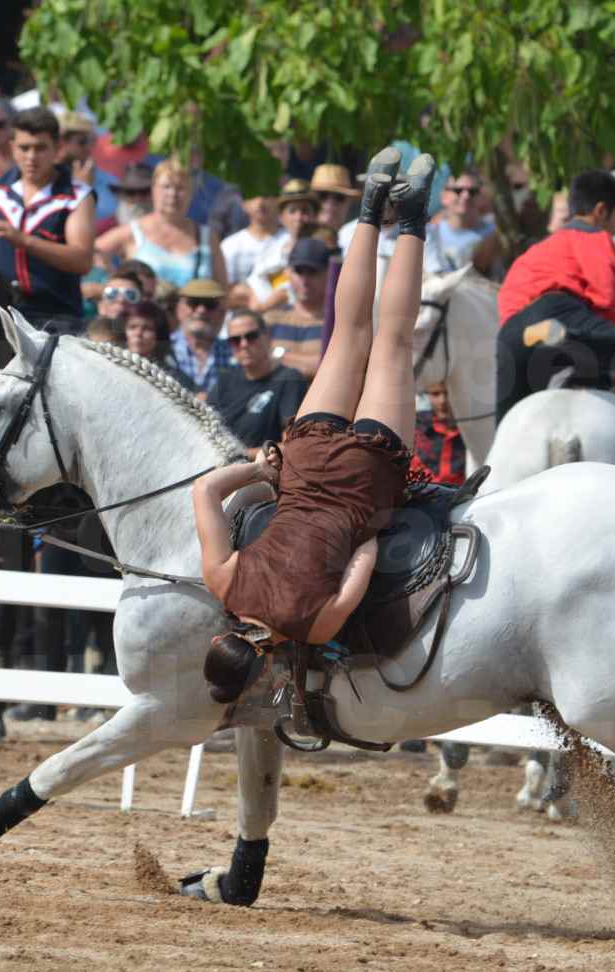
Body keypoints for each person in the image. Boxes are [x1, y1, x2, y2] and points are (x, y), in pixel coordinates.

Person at [192, 147, 435, 685]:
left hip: (361, 484)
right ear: (219, 637)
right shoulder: (221, 580)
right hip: (301, 461)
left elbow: (362, 566)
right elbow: (204, 492)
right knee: (347, 336)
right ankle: (370, 209)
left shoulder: (315, 631)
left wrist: (372, 522)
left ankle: (414, 214)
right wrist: (260, 469)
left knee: (393, 342)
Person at [495, 169, 615, 422]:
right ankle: (567, 344)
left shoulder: (538, 248)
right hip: (558, 313)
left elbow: (506, 298)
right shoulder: (595, 236)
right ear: (601, 211)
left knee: (507, 426)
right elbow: (606, 301)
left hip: (512, 334)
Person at [0, 106, 96, 331]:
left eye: (40, 148)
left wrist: (23, 240)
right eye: (24, 148)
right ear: (12, 148)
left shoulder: (77, 196)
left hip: (54, 316)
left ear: (57, 148)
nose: (31, 157)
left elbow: (82, 260)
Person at [96, 159, 227, 289]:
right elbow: (93, 253)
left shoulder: (207, 238)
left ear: (191, 193)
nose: (172, 194)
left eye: (180, 188)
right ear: (153, 190)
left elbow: (222, 290)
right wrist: (111, 285)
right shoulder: (133, 232)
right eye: (166, 187)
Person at [208, 308, 307, 451]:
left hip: (263, 469)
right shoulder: (224, 381)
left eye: (251, 336)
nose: (244, 344)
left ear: (267, 336)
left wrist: (244, 455)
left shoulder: (288, 379)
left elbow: (292, 446)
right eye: (235, 340)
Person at [262, 237, 331, 377]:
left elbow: (330, 369)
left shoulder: (336, 323)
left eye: (312, 272)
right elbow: (256, 361)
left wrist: (278, 356)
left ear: (328, 273)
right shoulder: (271, 319)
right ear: (288, 273)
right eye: (299, 271)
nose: (304, 280)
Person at [246, 179, 318, 310]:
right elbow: (254, 281)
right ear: (281, 216)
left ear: (315, 215)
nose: (299, 217)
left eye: (305, 211)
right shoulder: (271, 247)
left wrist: (269, 303)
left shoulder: (322, 247)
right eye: (292, 211)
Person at [424, 168, 498, 275]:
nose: (466, 196)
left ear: (481, 198)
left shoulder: (493, 235)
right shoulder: (430, 231)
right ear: (444, 196)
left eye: (472, 192)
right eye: (458, 191)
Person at [170, 277, 232, 394]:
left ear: (222, 313)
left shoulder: (235, 354)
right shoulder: (161, 349)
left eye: (210, 305)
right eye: (193, 303)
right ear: (178, 309)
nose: (201, 310)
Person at [221, 193, 284, 291]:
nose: (260, 203)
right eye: (254, 196)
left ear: (277, 200)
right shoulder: (230, 245)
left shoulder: (291, 240)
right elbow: (223, 288)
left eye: (266, 196)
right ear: (244, 204)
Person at [411, 381, 466, 485]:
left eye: (448, 393)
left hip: (462, 495)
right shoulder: (415, 424)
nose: (443, 400)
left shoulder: (470, 431)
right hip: (421, 494)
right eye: (435, 394)